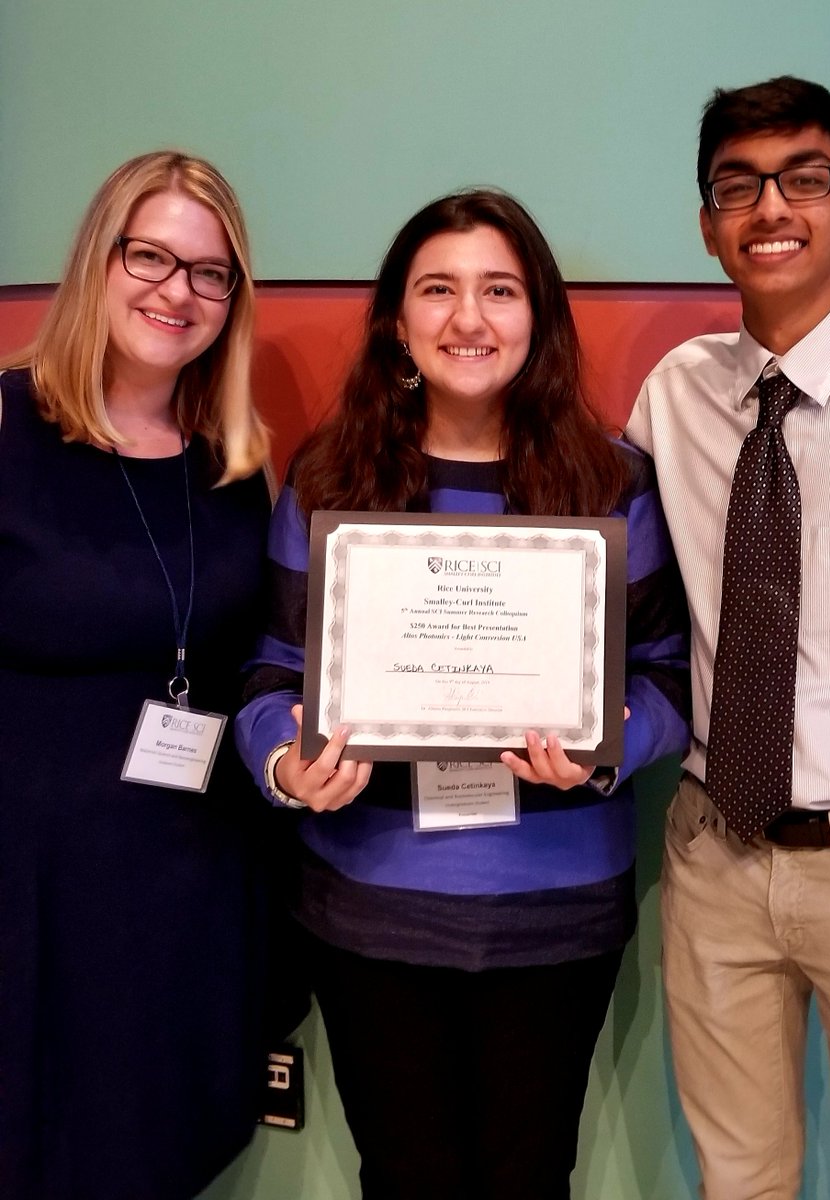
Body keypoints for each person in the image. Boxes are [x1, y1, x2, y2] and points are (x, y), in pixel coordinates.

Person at [237, 188, 690, 1200]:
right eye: (438, 290)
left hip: (555, 908)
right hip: (367, 907)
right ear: (398, 321)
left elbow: (668, 676)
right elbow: (270, 669)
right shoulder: (327, 480)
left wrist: (612, 742)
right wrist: (284, 759)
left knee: (533, 1178)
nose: (469, 319)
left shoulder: (611, 483)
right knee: (403, 1178)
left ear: (539, 316)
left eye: (499, 290)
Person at [626, 76, 830, 1199]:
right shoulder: (676, 393)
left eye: (805, 177)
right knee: (737, 1184)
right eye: (737, 185)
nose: (770, 206)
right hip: (714, 859)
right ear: (707, 224)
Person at [0, 151, 279, 1200]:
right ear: (98, 260)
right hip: (28, 896)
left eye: (211, 273)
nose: (178, 292)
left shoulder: (235, 468)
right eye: (152, 256)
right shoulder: (7, 426)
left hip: (184, 890)